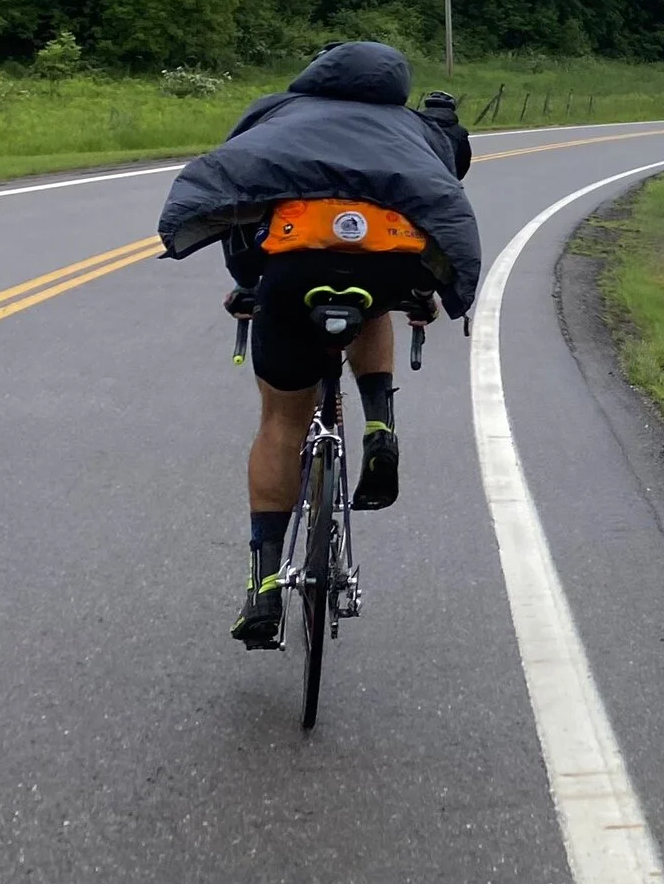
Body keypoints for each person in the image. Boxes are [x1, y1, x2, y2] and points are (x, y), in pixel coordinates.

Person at [157, 43, 481, 648]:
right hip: (385, 267)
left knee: (282, 421)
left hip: (292, 268)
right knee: (375, 302)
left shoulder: (277, 111)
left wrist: (247, 284)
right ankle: (379, 425)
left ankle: (264, 587)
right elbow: (444, 184)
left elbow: (241, 195)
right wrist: (425, 291)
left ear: (316, 74)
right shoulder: (412, 126)